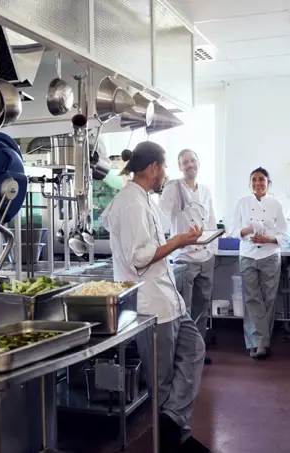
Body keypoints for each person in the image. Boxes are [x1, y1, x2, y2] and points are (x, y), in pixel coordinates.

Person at [100, 141, 210, 453]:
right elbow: (138, 258)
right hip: (150, 306)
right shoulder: (131, 203)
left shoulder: (141, 198)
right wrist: (178, 241)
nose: (166, 176)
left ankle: (173, 424)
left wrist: (180, 241)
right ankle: (175, 442)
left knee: (194, 348)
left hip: (167, 299)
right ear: (153, 168)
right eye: (165, 168)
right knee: (161, 380)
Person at [159, 149, 217, 366]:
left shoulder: (205, 190)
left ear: (199, 162)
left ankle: (197, 350)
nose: (190, 165)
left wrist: (213, 249)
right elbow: (162, 217)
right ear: (180, 167)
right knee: (184, 308)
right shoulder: (173, 188)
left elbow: (211, 219)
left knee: (203, 307)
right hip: (184, 257)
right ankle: (182, 354)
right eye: (185, 162)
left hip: (206, 257)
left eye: (193, 160)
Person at [230, 167, 289, 359]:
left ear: (268, 183)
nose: (258, 183)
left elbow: (284, 235)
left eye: (262, 180)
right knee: (251, 298)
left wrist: (268, 239)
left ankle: (258, 342)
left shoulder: (276, 204)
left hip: (270, 256)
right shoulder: (242, 203)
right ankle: (259, 343)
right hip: (248, 255)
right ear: (250, 184)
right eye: (254, 180)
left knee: (268, 299)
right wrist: (248, 229)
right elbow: (232, 230)